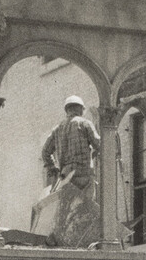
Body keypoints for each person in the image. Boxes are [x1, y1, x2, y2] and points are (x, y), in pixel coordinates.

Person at [36, 96, 101, 247]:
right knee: (87, 207)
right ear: (79, 109)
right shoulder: (84, 123)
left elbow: (45, 151)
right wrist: (96, 151)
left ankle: (60, 241)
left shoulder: (57, 128)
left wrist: (53, 167)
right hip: (83, 173)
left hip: (66, 176)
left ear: (67, 110)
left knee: (66, 211)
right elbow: (99, 144)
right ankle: (84, 241)